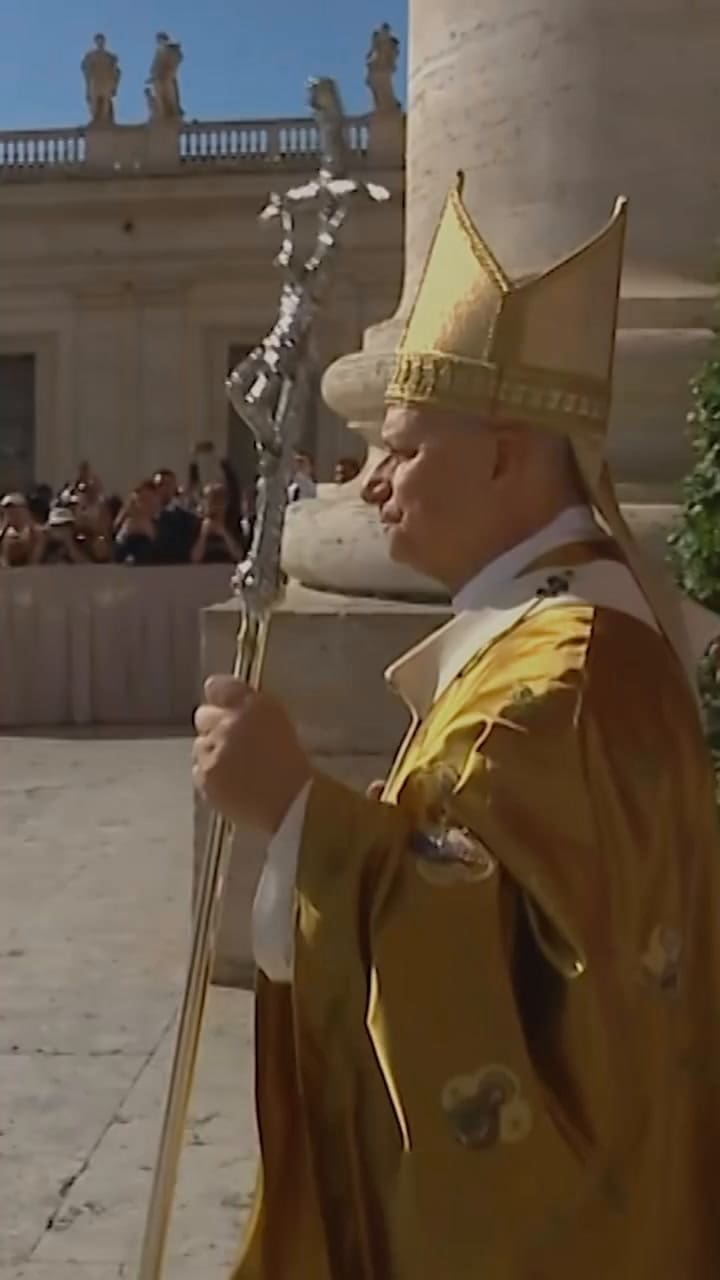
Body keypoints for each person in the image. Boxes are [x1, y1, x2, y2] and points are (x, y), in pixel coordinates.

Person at [192, 175, 720, 1276]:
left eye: (401, 447)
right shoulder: (569, 638)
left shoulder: (557, 677)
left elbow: (510, 993)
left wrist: (294, 810)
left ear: (505, 451)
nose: (369, 481)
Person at [190, 482, 245, 564]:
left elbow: (239, 556)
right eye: (209, 499)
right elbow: (195, 559)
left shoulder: (233, 524)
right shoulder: (197, 525)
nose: (212, 504)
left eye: (217, 500)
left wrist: (224, 533)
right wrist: (203, 535)